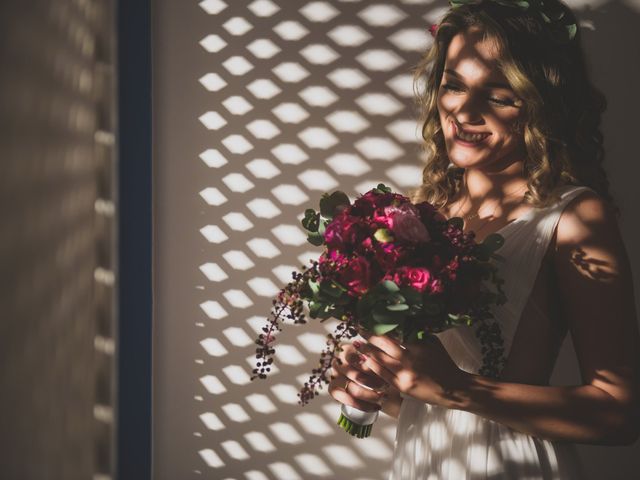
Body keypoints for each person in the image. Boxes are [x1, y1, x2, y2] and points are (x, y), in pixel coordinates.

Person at [328, 0, 640, 478]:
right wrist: (385, 385)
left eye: (497, 95)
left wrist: (455, 388)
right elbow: (438, 403)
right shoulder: (430, 212)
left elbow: (618, 414)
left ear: (541, 102)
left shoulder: (573, 215)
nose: (463, 110)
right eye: (453, 85)